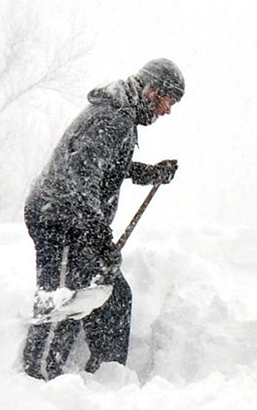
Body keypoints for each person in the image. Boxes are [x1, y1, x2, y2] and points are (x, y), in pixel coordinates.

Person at [21, 58, 184, 379]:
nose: (167, 110)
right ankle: (37, 381)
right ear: (151, 90)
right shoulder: (112, 119)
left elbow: (106, 164)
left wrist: (148, 172)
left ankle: (107, 377)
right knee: (65, 299)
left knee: (112, 297)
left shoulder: (119, 115)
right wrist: (98, 239)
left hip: (74, 219)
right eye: (167, 100)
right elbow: (80, 178)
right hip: (61, 220)